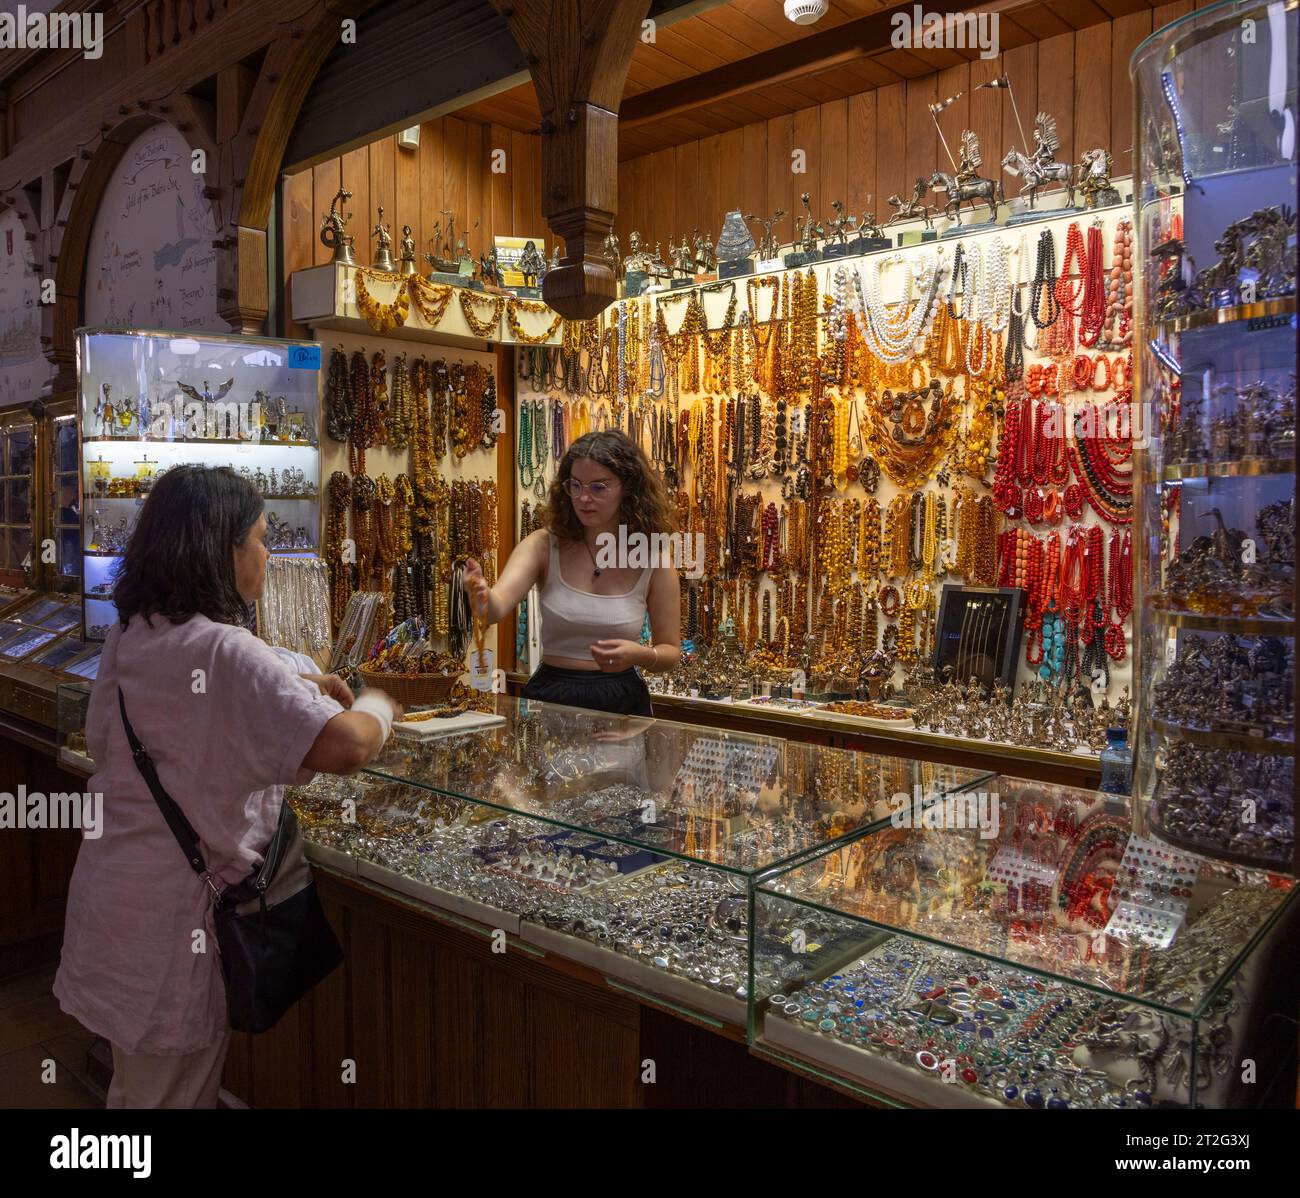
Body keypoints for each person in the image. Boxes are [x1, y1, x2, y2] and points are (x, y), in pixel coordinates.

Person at [54, 465, 401, 1108]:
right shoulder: (223, 650)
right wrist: (381, 707)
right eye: (261, 539)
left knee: (142, 1091)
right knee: (168, 1098)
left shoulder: (133, 633)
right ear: (225, 548)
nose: (268, 555)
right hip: (171, 930)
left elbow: (140, 730)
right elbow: (346, 744)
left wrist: (294, 681)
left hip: (116, 899)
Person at [463, 429, 680, 716]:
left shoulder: (653, 557)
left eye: (598, 487)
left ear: (627, 487)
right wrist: (481, 595)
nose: (583, 498)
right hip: (552, 698)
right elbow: (495, 608)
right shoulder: (543, 545)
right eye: (575, 485)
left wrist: (640, 655)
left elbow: (670, 651)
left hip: (621, 704)